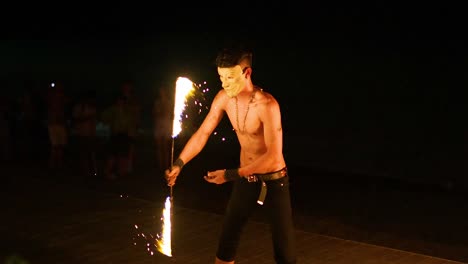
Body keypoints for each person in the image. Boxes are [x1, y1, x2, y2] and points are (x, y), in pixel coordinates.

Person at [165, 45, 297, 264]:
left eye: (230, 77)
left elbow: (273, 157)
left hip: (274, 182)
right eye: (221, 77)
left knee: (285, 253)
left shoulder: (267, 105)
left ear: (246, 73)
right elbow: (203, 132)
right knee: (227, 243)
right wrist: (180, 163)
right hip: (245, 179)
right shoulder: (223, 98)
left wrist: (230, 174)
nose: (224, 83)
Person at [153, 87, 172, 171]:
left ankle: (166, 164)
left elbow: (169, 113)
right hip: (159, 124)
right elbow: (156, 113)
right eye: (160, 91)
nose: (161, 93)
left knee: (165, 146)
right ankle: (160, 164)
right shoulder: (157, 102)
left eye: (163, 91)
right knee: (159, 146)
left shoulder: (169, 102)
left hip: (166, 124)